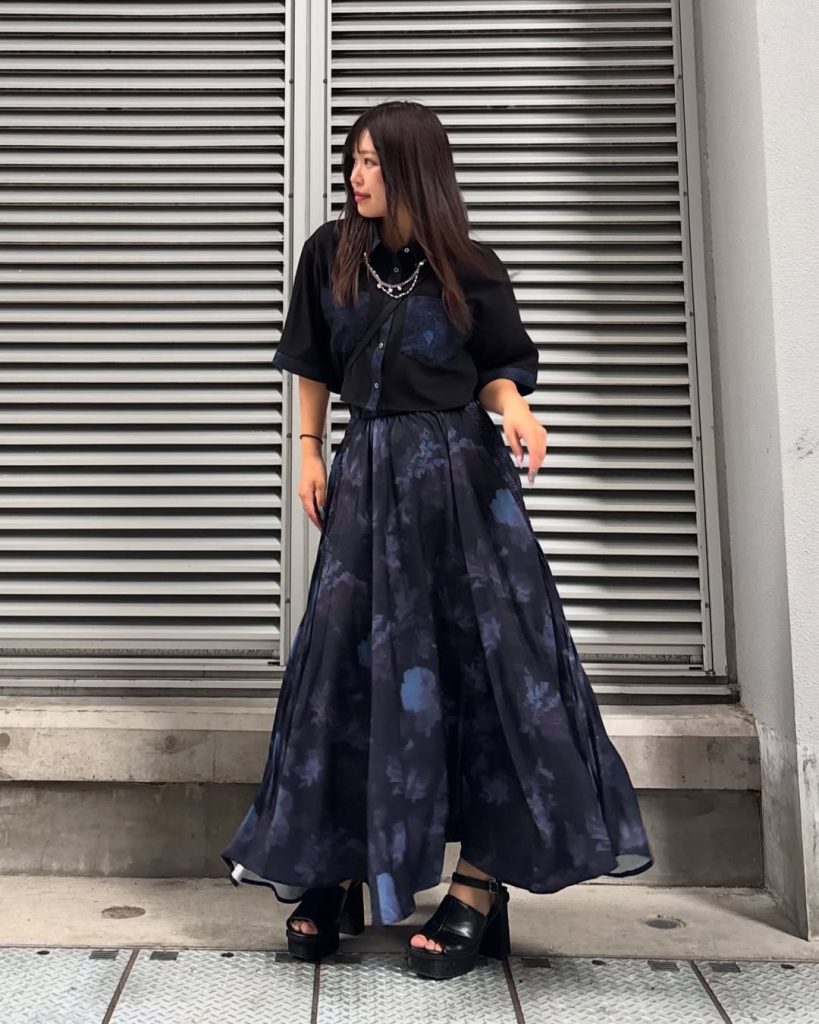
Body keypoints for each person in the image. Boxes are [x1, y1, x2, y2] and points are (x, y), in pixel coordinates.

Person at [222, 99, 653, 981]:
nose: (356, 176)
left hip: (462, 488)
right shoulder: (329, 255)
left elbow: (497, 370)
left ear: (416, 170)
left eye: (374, 163)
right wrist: (308, 450)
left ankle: (479, 886)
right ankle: (338, 868)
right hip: (367, 484)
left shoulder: (470, 266)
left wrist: (517, 410)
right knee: (346, 674)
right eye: (353, 159)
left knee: (492, 678)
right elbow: (310, 360)